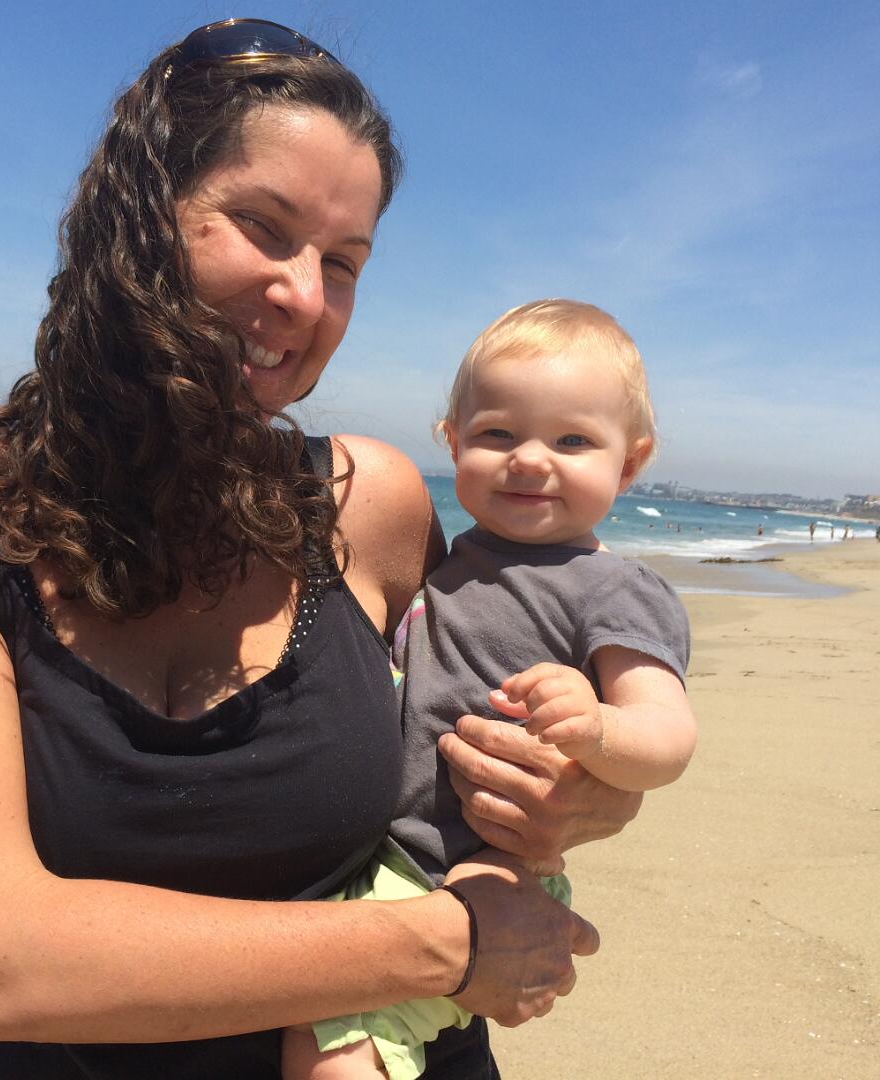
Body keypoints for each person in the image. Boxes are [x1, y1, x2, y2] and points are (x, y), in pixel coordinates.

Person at [0, 20, 639, 1079]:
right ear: (136, 212)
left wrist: (591, 791)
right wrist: (450, 947)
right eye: (263, 227)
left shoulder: (368, 506)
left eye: (342, 263)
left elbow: (510, 715)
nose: (305, 295)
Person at [286, 301, 696, 1080]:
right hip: (394, 851)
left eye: (572, 441)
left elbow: (669, 739)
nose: (530, 460)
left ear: (630, 464)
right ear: (453, 442)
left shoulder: (614, 590)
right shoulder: (455, 557)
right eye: (499, 434)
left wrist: (597, 729)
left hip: (482, 864)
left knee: (332, 1044)